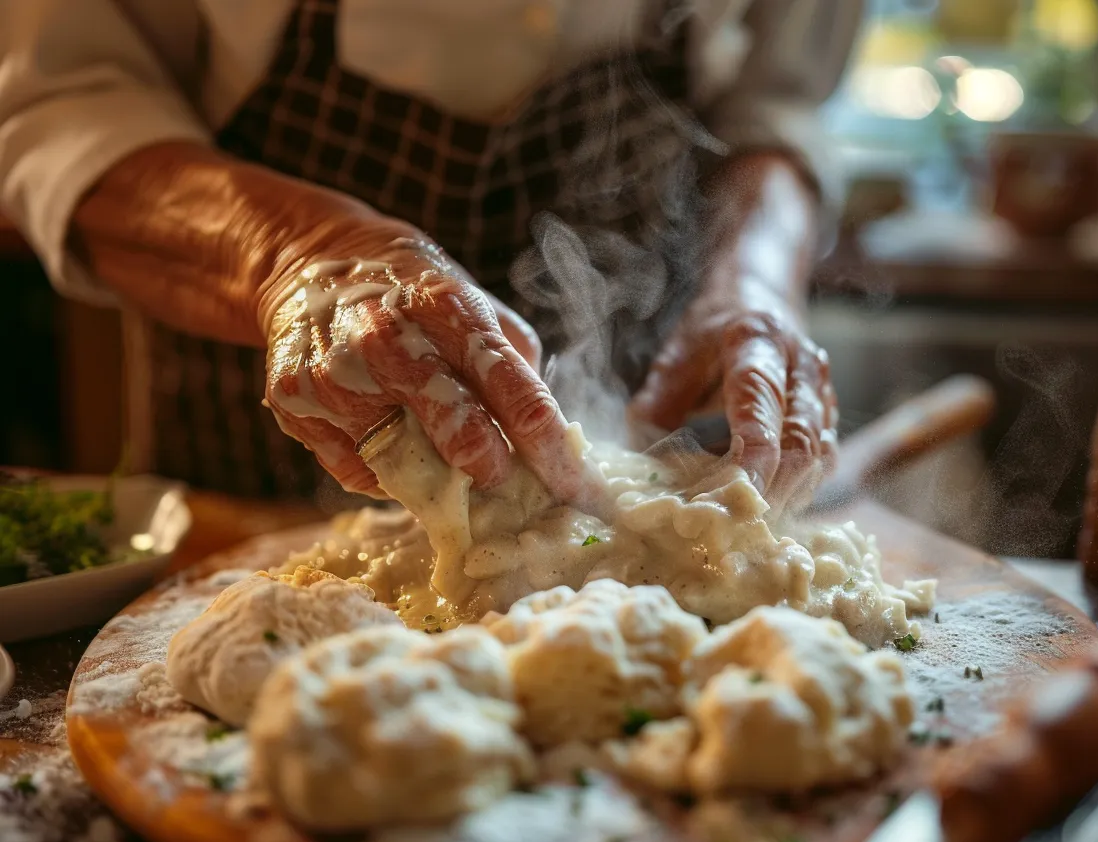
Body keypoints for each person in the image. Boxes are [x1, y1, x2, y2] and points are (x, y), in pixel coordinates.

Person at [0, 0, 855, 512]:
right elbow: (57, 100)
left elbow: (774, 111)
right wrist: (297, 252)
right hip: (244, 498)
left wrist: (754, 278)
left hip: (649, 439)